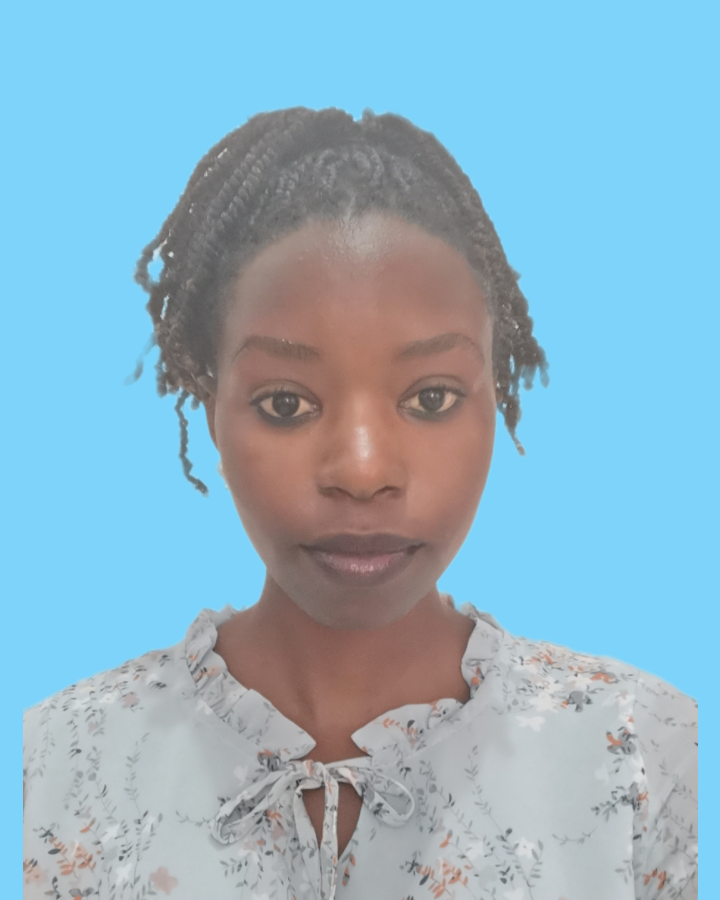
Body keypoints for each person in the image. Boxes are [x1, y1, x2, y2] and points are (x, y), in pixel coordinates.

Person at [22, 107, 698, 899]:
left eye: (431, 397)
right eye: (285, 404)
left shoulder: (646, 753)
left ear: (497, 398)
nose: (363, 470)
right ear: (210, 411)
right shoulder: (52, 767)